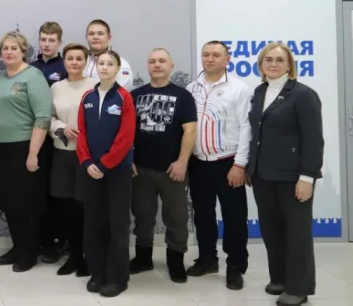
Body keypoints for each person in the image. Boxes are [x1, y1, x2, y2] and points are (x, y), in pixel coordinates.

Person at [247, 43, 323, 306]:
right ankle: (279, 278)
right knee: (272, 230)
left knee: (297, 233)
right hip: (262, 175)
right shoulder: (259, 92)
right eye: (268, 59)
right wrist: (251, 168)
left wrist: (308, 177)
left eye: (280, 59)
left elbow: (313, 139)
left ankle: (299, 288)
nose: (273, 64)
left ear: (290, 65)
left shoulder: (303, 95)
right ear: (261, 65)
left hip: (293, 177)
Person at [186, 41, 251, 290]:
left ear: (227, 59)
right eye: (206, 54)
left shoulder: (238, 88)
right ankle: (207, 259)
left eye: (216, 55)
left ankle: (235, 266)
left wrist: (240, 164)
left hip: (228, 163)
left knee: (234, 218)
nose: (210, 59)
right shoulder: (192, 87)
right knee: (203, 215)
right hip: (198, 163)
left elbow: (246, 127)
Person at [129, 48, 197, 283]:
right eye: (152, 61)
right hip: (140, 169)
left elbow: (190, 130)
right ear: (147, 66)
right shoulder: (135, 95)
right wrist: (129, 160)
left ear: (171, 66)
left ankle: (175, 262)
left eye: (162, 61)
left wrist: (182, 161)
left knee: (176, 218)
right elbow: (125, 131)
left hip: (172, 170)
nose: (157, 65)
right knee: (142, 215)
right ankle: (143, 258)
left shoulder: (183, 96)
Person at [0, 31, 51, 273]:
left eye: (14, 48)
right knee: (9, 202)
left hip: (25, 147)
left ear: (23, 51)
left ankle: (30, 252)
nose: (9, 52)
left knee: (26, 203)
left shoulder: (33, 76)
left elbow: (42, 117)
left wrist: (33, 153)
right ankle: (18, 246)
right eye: (5, 48)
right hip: (0, 148)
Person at [77, 50, 135, 298]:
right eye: (101, 63)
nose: (105, 67)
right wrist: (86, 162)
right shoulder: (87, 97)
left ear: (118, 68)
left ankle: (117, 277)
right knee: (94, 223)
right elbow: (82, 133)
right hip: (91, 172)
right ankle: (97, 273)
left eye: (110, 63)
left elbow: (126, 137)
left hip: (117, 172)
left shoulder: (124, 98)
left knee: (117, 224)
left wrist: (104, 164)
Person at [48, 43, 96, 277]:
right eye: (70, 58)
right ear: (64, 61)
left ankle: (88, 257)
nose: (74, 62)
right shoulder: (56, 87)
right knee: (67, 208)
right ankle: (73, 257)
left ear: (86, 61)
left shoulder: (95, 85)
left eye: (79, 58)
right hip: (63, 152)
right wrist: (61, 127)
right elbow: (49, 117)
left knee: (85, 208)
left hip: (87, 155)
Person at [30, 22, 66, 264]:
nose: (46, 44)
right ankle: (39, 240)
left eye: (51, 40)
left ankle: (58, 242)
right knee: (37, 192)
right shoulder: (30, 68)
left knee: (57, 193)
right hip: (35, 137)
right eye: (43, 39)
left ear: (59, 42)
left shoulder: (66, 67)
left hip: (59, 138)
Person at [83, 20, 133, 89]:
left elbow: (120, 93)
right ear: (86, 38)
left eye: (100, 34)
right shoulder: (78, 63)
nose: (95, 37)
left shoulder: (121, 63)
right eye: (91, 34)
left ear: (109, 37)